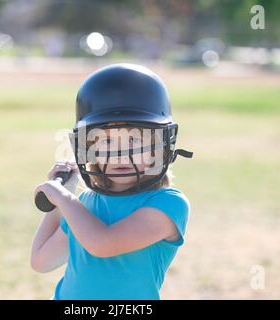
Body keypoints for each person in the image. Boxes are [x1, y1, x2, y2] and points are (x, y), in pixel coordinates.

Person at [32, 64, 193, 299]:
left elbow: (103, 244)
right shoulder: (85, 204)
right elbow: (41, 261)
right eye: (106, 142)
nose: (119, 153)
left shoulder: (169, 204)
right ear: (88, 148)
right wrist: (59, 198)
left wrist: (65, 199)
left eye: (135, 140)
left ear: (159, 147)